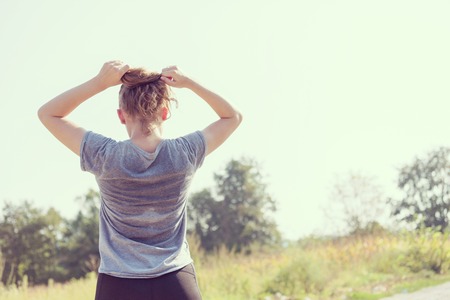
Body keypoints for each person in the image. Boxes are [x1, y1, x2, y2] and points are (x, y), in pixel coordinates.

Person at [38, 60, 242, 300]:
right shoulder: (185, 152)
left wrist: (98, 83)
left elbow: (48, 113)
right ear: (165, 112)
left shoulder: (104, 155)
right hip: (176, 279)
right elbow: (232, 117)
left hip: (118, 283)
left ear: (121, 116)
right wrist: (189, 83)